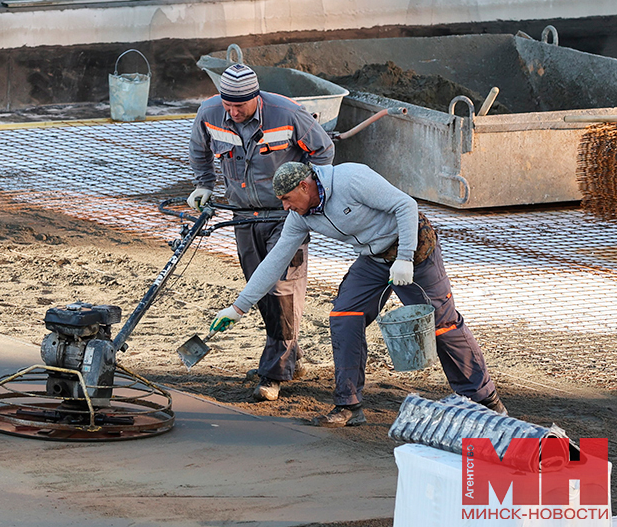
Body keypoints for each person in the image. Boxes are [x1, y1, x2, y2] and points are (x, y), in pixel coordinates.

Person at [208, 161, 507, 425]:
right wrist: (238, 308)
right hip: (374, 259)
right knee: (344, 316)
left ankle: (485, 401)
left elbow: (405, 205)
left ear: (304, 185)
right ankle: (348, 405)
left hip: (414, 250)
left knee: (442, 325)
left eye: (287, 199)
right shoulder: (301, 216)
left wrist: (404, 256)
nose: (285, 206)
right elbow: (274, 261)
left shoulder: (351, 179)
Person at [187, 63, 335, 402]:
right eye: (228, 105)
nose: (233, 112)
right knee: (260, 288)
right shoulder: (210, 113)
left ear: (256, 97)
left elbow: (323, 150)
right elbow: (199, 147)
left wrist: (311, 195)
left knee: (282, 289)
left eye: (240, 105)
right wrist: (204, 185)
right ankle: (290, 358)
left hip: (287, 216)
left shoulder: (287, 114)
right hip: (243, 216)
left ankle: (273, 375)